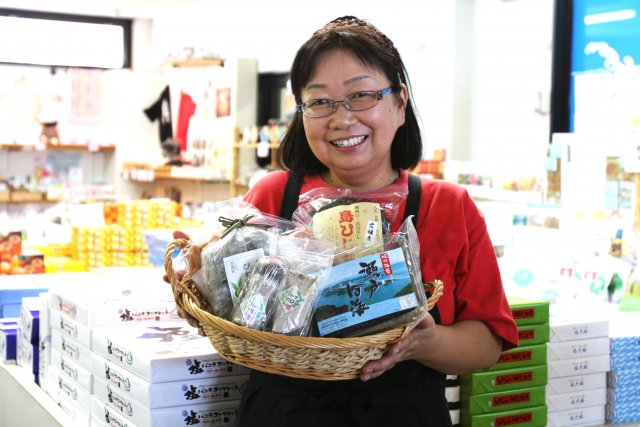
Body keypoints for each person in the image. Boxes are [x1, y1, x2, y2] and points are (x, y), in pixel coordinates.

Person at [228, 15, 519, 427]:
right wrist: (206, 277)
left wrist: (425, 342)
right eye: (320, 101)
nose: (341, 118)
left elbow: (488, 343)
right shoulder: (273, 197)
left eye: (361, 95)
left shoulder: (448, 206)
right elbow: (235, 312)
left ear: (400, 102)